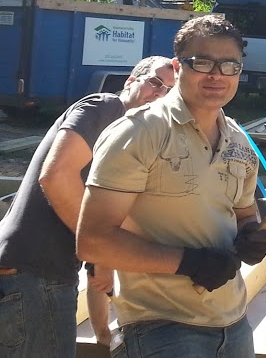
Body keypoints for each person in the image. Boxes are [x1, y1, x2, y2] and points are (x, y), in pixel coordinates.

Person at [76, 15, 266, 358]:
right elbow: (93, 241)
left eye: (229, 65)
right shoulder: (139, 133)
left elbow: (243, 214)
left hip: (234, 323)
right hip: (160, 327)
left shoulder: (238, 140)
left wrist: (252, 233)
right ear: (178, 67)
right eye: (203, 62)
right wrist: (187, 263)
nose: (216, 74)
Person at [0, 55, 175, 357]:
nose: (160, 93)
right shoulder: (106, 107)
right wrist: (100, 248)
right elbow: (56, 176)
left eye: (168, 91)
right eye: (155, 83)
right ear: (130, 81)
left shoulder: (127, 139)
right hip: (35, 276)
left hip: (36, 275)